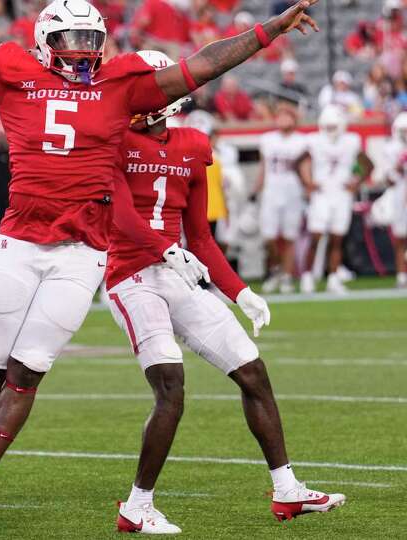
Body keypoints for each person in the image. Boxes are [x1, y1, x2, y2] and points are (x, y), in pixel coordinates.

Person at [0, 0, 322, 530]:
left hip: (82, 253)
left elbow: (204, 64)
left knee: (27, 369)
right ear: (43, 42)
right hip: (19, 242)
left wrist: (268, 31)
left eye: (90, 38)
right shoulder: (12, 75)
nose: (81, 49)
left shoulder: (123, 86)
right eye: (70, 38)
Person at [106, 50, 345, 534]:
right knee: (171, 386)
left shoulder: (193, 145)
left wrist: (240, 292)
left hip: (180, 273)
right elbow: (121, 218)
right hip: (131, 276)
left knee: (253, 372)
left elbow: (201, 238)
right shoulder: (111, 143)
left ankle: (287, 490)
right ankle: (137, 505)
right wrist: (163, 250)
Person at [299, 105, 371, 294]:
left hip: (341, 194)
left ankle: (333, 277)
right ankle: (306, 276)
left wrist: (357, 182)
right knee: (316, 237)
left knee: (337, 239)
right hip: (321, 193)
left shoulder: (351, 141)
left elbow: (368, 164)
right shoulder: (314, 140)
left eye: (334, 125)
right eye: (328, 125)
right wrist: (308, 182)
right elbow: (300, 162)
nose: (330, 129)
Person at [255, 104, 307, 294]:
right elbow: (263, 167)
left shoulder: (302, 141)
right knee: (269, 236)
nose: (283, 120)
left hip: (292, 191)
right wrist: (256, 189)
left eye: (287, 116)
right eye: (280, 116)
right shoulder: (267, 139)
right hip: (271, 191)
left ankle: (286, 276)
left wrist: (308, 188)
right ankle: (276, 270)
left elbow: (305, 170)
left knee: (289, 236)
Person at [381, 112, 407, 288]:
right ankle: (401, 275)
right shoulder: (390, 148)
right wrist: (398, 166)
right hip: (399, 195)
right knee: (400, 236)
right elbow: (389, 180)